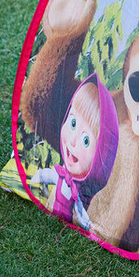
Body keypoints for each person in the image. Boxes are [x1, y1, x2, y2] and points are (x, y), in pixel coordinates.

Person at [32, 73, 119, 229]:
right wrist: (38, 177)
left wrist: (87, 224)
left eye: (86, 140)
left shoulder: (83, 193)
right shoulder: (60, 175)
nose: (72, 141)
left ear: (101, 155)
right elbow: (47, 175)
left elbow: (80, 213)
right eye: (72, 123)